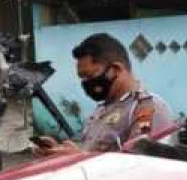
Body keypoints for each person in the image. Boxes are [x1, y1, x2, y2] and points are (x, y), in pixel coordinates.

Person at [35, 32, 174, 155]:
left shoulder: (146, 108)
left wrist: (79, 157)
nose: (85, 83)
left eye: (89, 76)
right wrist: (60, 150)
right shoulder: (101, 110)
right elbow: (89, 150)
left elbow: (141, 165)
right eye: (81, 78)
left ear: (115, 69)